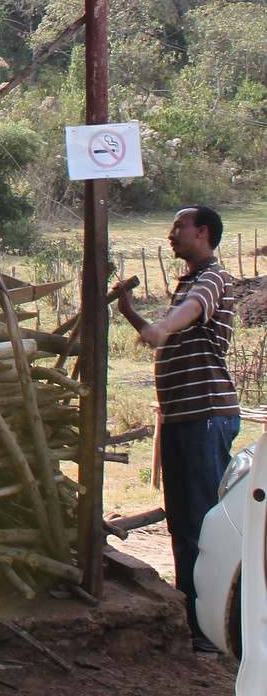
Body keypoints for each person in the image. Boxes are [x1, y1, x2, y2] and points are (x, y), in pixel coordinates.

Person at [114, 206, 240, 652]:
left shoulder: (212, 278)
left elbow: (189, 313)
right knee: (184, 521)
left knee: (204, 522)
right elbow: (162, 331)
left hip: (205, 416)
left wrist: (163, 326)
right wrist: (132, 314)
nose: (171, 234)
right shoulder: (188, 280)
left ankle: (214, 629)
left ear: (202, 233)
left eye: (179, 226)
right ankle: (195, 620)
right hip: (184, 417)